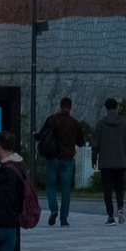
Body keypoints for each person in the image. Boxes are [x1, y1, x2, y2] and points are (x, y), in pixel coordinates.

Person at [35, 96, 86, 226]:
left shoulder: (51, 120)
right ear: (71, 107)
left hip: (53, 157)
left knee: (50, 186)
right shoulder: (75, 123)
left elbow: (40, 135)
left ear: (60, 105)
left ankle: (53, 210)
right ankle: (64, 218)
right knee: (65, 189)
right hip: (67, 159)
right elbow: (80, 143)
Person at [92, 97, 126, 223]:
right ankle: (120, 208)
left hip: (105, 162)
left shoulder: (101, 124)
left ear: (106, 108)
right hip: (121, 160)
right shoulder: (125, 123)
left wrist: (94, 158)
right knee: (119, 186)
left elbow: (95, 143)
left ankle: (110, 216)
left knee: (107, 189)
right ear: (117, 107)